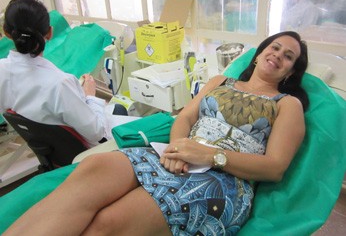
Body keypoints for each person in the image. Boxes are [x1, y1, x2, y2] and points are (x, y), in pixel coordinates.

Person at [3, 30, 309, 235]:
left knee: (107, 223)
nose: (279, 55)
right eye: (275, 47)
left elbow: (275, 168)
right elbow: (185, 116)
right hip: (179, 155)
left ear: (291, 72)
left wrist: (210, 155)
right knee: (94, 167)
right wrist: (178, 147)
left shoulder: (287, 104)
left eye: (289, 56)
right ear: (258, 55)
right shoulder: (220, 82)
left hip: (223, 179)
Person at [0, 0, 113, 147]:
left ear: (7, 33)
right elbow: (97, 133)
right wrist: (90, 96)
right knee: (120, 112)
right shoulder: (60, 83)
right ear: (50, 33)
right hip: (86, 150)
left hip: (49, 145)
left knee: (115, 109)